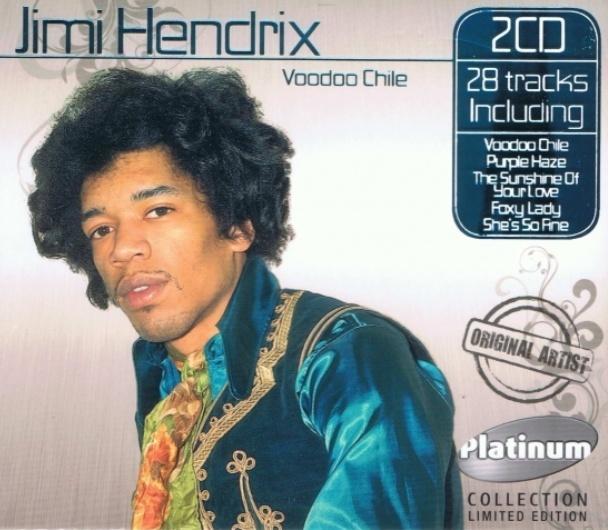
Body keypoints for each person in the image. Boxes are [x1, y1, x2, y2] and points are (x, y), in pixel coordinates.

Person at [28, 68, 462, 530]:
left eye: (157, 210)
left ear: (237, 225)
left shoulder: (343, 353)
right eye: (101, 229)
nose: (121, 248)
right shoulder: (165, 377)